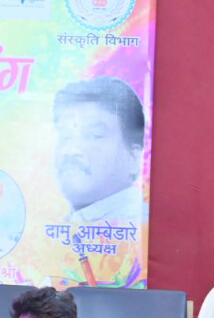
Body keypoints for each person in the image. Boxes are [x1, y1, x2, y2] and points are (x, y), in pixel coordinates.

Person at [53, 77, 146, 224]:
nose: (70, 150)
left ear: (134, 158)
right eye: (65, 136)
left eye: (93, 135)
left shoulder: (145, 225)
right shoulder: (52, 228)